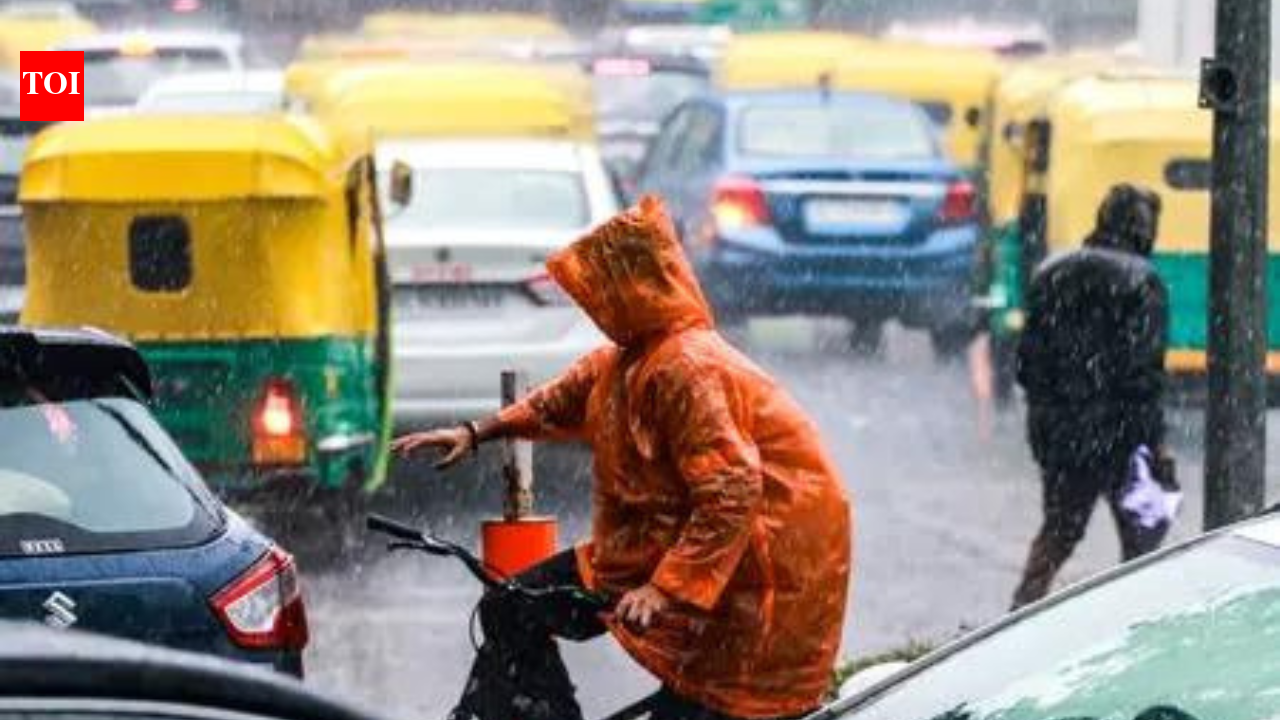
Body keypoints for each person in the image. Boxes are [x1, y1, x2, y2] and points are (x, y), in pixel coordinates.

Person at [393, 196, 852, 720]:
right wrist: (476, 432)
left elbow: (732, 492)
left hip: (764, 572)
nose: (592, 305)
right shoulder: (632, 357)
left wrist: (665, 590)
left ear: (633, 289)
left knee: (720, 697)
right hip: (670, 551)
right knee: (513, 607)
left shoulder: (688, 368)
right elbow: (561, 400)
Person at [1012, 183, 1170, 609]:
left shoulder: (1051, 273)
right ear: (1142, 230)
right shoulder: (1144, 282)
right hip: (1119, 437)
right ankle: (1133, 620)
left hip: (1059, 435)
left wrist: (1055, 414)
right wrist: (1155, 444)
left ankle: (1018, 614)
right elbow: (1143, 378)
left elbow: (1026, 366)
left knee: (1058, 533)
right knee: (1141, 539)